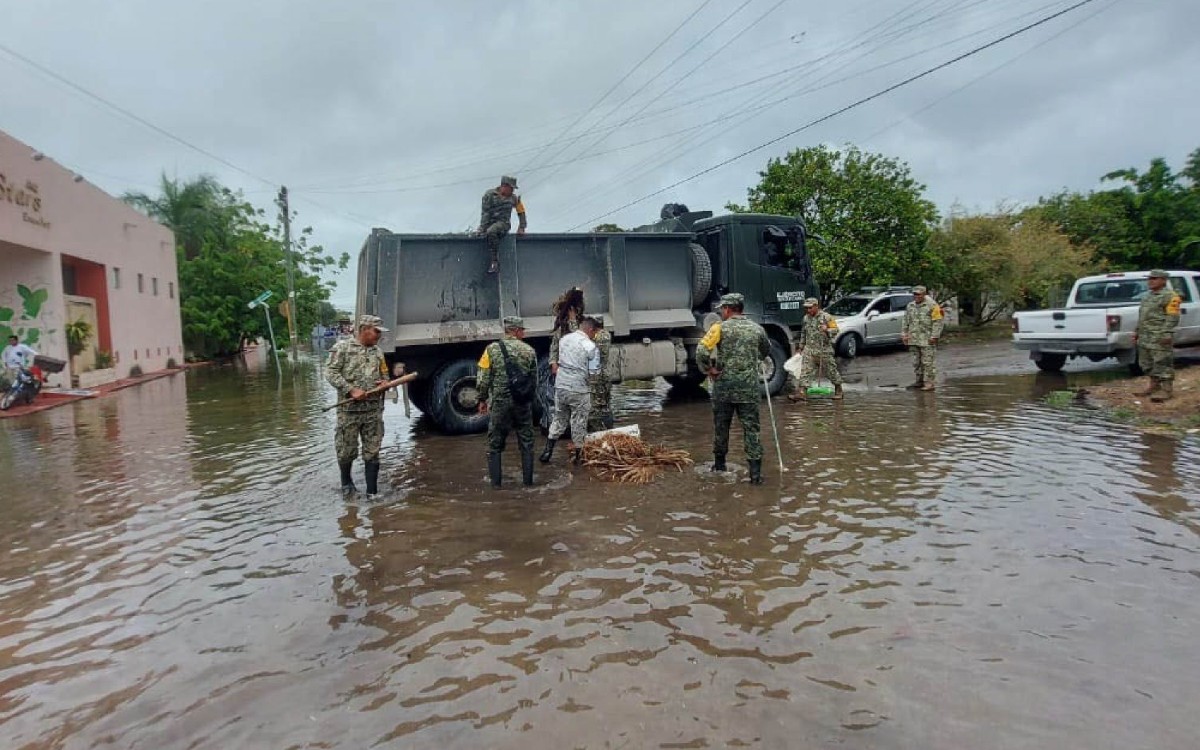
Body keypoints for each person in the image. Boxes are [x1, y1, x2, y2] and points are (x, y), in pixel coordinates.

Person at [696, 293, 771, 484]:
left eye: (723, 309)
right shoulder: (757, 329)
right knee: (751, 430)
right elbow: (765, 351)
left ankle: (720, 467)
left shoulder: (719, 328)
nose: (722, 312)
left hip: (724, 389)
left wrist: (709, 369)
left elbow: (701, 350)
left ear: (728, 309)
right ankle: (755, 476)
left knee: (722, 428)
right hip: (749, 389)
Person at [326, 315, 391, 496]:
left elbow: (385, 376)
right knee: (346, 450)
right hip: (349, 412)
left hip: (372, 411)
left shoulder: (378, 352)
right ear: (364, 329)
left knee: (373, 451)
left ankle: (372, 492)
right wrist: (350, 390)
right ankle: (346, 484)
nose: (379, 335)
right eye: (376, 331)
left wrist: (384, 384)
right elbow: (330, 372)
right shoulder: (343, 348)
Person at [476, 316, 538, 487]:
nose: (524, 333)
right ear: (516, 331)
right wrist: (528, 400)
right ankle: (528, 484)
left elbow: (483, 379)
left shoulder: (491, 350)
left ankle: (496, 485)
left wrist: (482, 399)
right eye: (522, 330)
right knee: (526, 441)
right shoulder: (529, 351)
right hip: (522, 403)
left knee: (495, 442)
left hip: (500, 403)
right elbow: (535, 381)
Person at [540, 317, 600, 465]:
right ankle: (578, 457)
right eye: (595, 333)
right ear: (591, 330)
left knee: (559, 418)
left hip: (561, 386)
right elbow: (594, 372)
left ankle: (547, 452)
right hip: (579, 389)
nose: (595, 336)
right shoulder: (590, 346)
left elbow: (559, 359)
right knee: (578, 421)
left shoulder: (564, 339)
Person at [1133, 269, 1181, 402]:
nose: (1150, 281)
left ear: (1163, 280)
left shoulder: (1170, 296)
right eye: (1149, 279)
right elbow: (1143, 316)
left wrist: (1166, 333)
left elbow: (1173, 317)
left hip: (1159, 336)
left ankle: (1166, 390)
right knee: (1146, 363)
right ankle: (1154, 385)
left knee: (1163, 363)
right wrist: (1136, 332)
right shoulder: (1147, 296)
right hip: (1145, 335)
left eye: (1154, 278)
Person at [790, 297, 843, 401]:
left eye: (810, 308)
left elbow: (836, 330)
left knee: (831, 371)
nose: (808, 310)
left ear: (816, 306)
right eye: (806, 308)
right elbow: (804, 333)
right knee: (805, 372)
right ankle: (802, 393)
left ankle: (838, 390)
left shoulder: (826, 317)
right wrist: (800, 347)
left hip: (824, 350)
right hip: (809, 350)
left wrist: (827, 330)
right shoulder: (806, 318)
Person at [478, 175, 527, 274]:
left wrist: (521, 227)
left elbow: (521, 212)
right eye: (511, 188)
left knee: (492, 231)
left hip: (503, 223)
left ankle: (495, 261)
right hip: (489, 222)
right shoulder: (490, 195)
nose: (512, 191)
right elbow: (485, 212)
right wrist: (482, 227)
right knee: (488, 231)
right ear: (504, 186)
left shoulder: (514, 199)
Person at [901, 285, 944, 391]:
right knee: (916, 362)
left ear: (924, 294)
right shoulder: (910, 306)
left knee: (928, 362)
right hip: (914, 338)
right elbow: (906, 321)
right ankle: (919, 381)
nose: (916, 296)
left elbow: (937, 321)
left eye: (918, 294)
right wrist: (904, 334)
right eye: (914, 294)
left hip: (927, 339)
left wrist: (934, 336)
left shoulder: (932, 306)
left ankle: (929, 383)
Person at [549, 286, 585, 376]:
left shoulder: (583, 325)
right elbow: (554, 346)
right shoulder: (562, 328)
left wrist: (573, 320)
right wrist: (553, 363)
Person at [587, 315, 614, 431]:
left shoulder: (598, 337)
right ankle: (608, 428)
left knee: (596, 405)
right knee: (605, 403)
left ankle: (598, 430)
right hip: (604, 374)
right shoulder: (606, 334)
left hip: (598, 376)